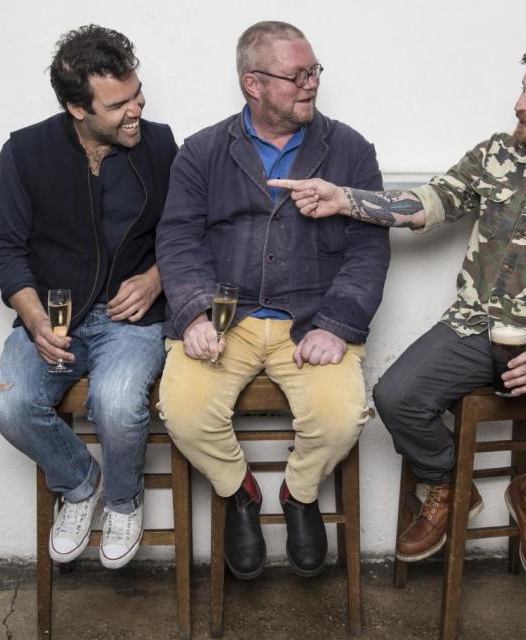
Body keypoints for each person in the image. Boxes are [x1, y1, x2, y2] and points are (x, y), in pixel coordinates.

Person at [271, 37, 526, 588]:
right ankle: (449, 484)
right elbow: (431, 202)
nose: (519, 105)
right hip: (475, 324)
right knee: (395, 397)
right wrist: (344, 198)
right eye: (523, 90)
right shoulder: (499, 154)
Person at [155, 21, 390, 580]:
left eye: (314, 72)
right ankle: (240, 494)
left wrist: (336, 324)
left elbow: (368, 250)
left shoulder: (350, 149)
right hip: (223, 319)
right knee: (183, 414)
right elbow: (178, 237)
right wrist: (191, 311)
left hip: (311, 320)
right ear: (253, 84)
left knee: (339, 419)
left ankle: (300, 494)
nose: (311, 85)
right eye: (297, 76)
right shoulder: (203, 151)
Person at [0, 25, 177, 569]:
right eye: (118, 105)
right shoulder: (24, 152)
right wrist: (34, 318)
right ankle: (79, 484)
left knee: (115, 405)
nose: (136, 109)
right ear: (77, 107)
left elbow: (190, 232)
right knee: (8, 404)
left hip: (131, 319)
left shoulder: (161, 143)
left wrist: (157, 277)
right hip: (54, 316)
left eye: (137, 94)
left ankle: (123, 501)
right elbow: (4, 250)